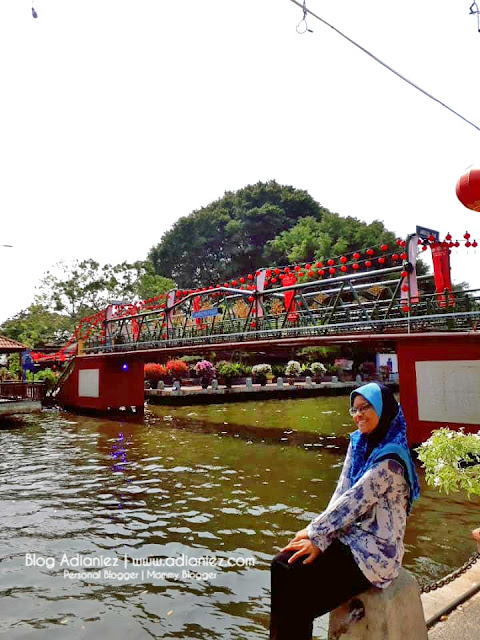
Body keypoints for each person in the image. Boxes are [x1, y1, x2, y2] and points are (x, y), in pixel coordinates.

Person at [269, 382, 420, 640]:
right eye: (354, 408)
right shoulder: (360, 442)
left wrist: (315, 533)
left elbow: (354, 501)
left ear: (384, 410)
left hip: (377, 553)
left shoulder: (391, 460)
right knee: (282, 565)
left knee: (292, 581)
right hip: (351, 536)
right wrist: (320, 536)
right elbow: (342, 492)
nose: (358, 414)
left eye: (366, 407)